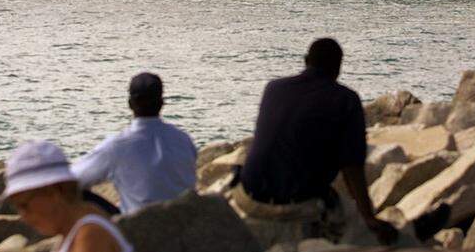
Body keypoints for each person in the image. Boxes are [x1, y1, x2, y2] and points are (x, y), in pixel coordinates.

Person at [234, 38, 397, 246]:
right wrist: (368, 216)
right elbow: (352, 168)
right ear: (338, 67)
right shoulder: (346, 100)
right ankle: (408, 235)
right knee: (352, 221)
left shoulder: (274, 88)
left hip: (247, 196)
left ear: (305, 61)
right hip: (295, 208)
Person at [71, 72, 197, 214]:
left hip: (136, 226)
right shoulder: (183, 139)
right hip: (185, 221)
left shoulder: (117, 146)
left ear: (130, 104)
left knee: (74, 192)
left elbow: (72, 178)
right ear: (161, 103)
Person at [3, 140, 133, 252]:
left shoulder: (90, 235)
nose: (23, 217)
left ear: (56, 192)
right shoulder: (74, 230)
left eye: (24, 205)